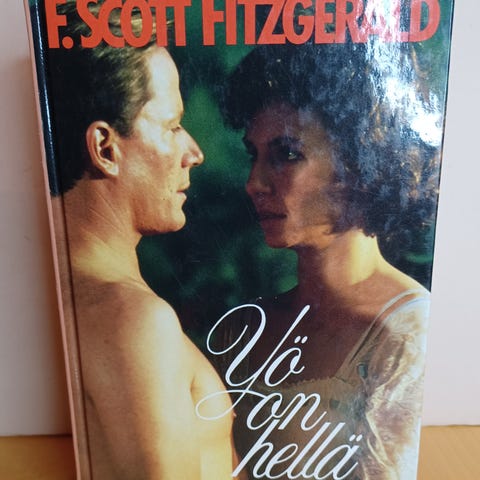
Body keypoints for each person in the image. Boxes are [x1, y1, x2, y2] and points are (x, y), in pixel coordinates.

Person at [219, 41, 443, 479]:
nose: (254, 183)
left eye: (286, 154)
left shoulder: (407, 334)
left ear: (358, 164)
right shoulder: (244, 327)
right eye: (253, 155)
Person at [45, 2, 238, 478]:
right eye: (172, 126)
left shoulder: (65, 301)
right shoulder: (134, 320)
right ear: (105, 148)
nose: (194, 152)